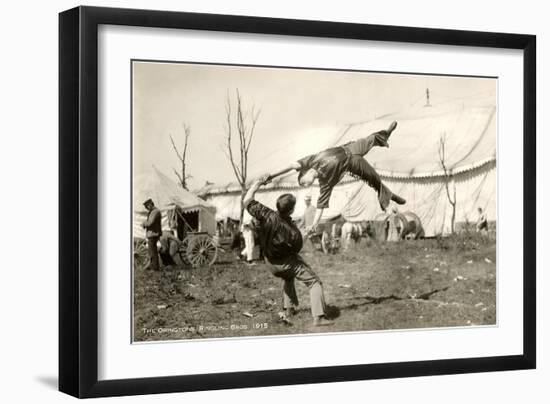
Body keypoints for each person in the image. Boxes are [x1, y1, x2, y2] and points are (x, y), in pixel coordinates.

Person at [264, 121, 406, 233]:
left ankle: (387, 133)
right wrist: (314, 224)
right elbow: (320, 206)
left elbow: (291, 165)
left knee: (372, 138)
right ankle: (389, 199)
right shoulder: (325, 182)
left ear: (304, 172)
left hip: (350, 148)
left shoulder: (310, 160)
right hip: (353, 164)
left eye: (304, 182)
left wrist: (272, 175)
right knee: (375, 180)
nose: (307, 184)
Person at [244, 175, 334, 327]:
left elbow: (246, 200)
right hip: (284, 263)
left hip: (269, 263)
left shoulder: (266, 214)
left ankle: (288, 310)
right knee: (314, 283)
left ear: (278, 205)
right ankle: (318, 318)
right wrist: (306, 234)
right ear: (291, 210)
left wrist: (258, 183)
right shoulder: (293, 232)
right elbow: (297, 248)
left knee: (288, 278)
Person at [141, 198, 162, 271]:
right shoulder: (154, 211)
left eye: (147, 206)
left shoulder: (155, 212)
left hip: (153, 234)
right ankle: (153, 266)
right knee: (152, 251)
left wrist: (144, 224)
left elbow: (150, 222)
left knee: (153, 252)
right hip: (153, 233)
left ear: (150, 204)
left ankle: (155, 268)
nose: (146, 208)